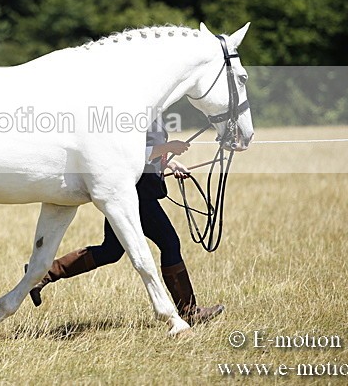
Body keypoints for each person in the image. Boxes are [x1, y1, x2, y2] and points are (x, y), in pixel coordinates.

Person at [28, 116, 224, 326]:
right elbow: (133, 155)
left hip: (135, 192)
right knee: (169, 243)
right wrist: (169, 147)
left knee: (111, 250)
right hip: (135, 195)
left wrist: (171, 163)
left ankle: (42, 274)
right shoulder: (134, 115)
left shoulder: (153, 112)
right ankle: (188, 310)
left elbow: (151, 155)